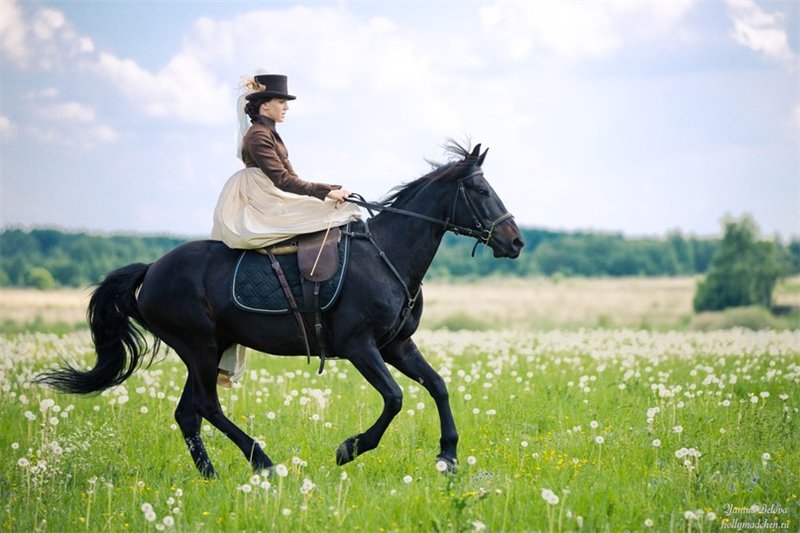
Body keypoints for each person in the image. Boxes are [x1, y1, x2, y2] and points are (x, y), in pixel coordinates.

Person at [211, 73, 361, 386]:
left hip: (273, 193)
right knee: (328, 213)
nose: (285, 107)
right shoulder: (258, 136)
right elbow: (282, 180)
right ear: (264, 106)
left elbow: (292, 176)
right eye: (281, 102)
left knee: (338, 208)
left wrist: (331, 189)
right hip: (260, 198)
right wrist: (323, 192)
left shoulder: (271, 134)